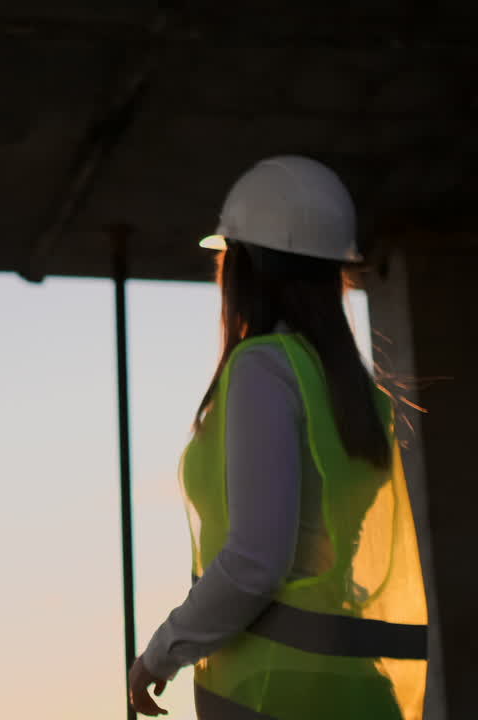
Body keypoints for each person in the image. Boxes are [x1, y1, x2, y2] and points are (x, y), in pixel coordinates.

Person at [128, 156, 429, 719]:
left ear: (244, 265)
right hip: (363, 692)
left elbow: (255, 561)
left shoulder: (264, 368)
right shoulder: (358, 392)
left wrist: (161, 652)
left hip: (273, 693)